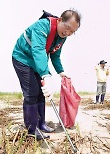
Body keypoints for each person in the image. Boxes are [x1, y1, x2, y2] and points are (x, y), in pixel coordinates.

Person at [12, 10, 81, 140]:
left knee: (41, 93)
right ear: (60, 20)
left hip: (38, 63)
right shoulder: (42, 26)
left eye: (72, 32)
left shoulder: (62, 37)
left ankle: (41, 123)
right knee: (31, 93)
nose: (67, 33)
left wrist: (61, 72)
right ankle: (32, 130)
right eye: (67, 28)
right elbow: (38, 50)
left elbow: (55, 55)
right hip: (23, 59)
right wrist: (46, 75)